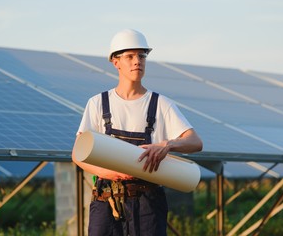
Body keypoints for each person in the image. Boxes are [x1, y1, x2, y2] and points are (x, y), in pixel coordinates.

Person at [72, 29, 203, 236]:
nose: (137, 61)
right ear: (116, 62)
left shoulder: (160, 104)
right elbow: (77, 154)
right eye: (130, 56)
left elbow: (195, 142)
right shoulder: (98, 103)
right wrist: (107, 173)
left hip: (147, 205)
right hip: (107, 201)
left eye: (142, 56)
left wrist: (168, 145)